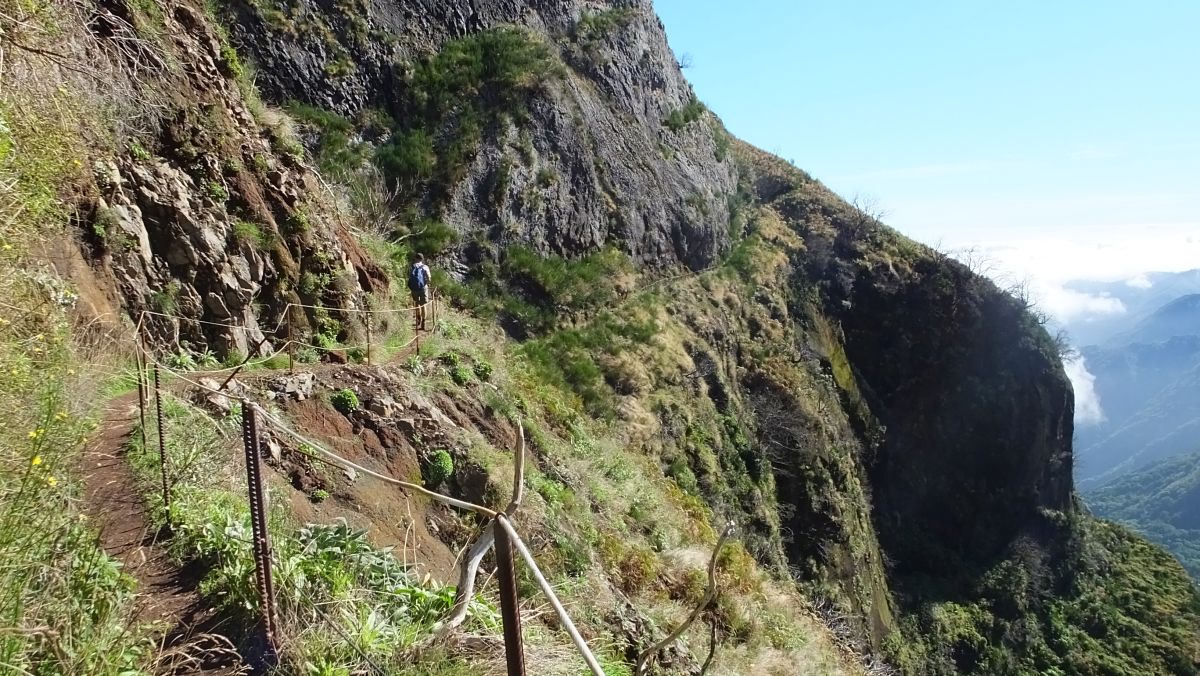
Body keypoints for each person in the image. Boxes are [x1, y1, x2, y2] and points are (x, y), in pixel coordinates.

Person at [408, 253, 431, 331]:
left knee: (416, 303)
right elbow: (429, 277)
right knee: (423, 304)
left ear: (415, 258)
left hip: (414, 288)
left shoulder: (412, 266)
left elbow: (409, 276)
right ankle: (423, 323)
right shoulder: (425, 267)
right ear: (422, 259)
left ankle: (418, 319)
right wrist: (427, 283)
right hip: (423, 288)